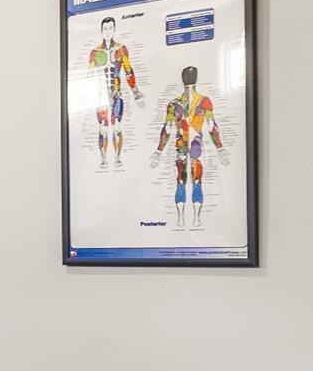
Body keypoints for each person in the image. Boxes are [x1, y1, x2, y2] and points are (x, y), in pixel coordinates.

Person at [156, 63, 225, 229]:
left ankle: (181, 219)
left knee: (181, 180)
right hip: (196, 146)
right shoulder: (204, 101)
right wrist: (220, 148)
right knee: (196, 180)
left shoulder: (174, 104)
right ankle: (195, 219)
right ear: (197, 79)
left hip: (182, 145)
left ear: (182, 80)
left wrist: (159, 150)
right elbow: (211, 125)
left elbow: (167, 128)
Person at [85, 15, 141, 170]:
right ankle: (103, 159)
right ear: (101, 30)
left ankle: (117, 158)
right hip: (101, 97)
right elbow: (89, 74)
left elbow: (128, 70)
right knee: (103, 128)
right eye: (105, 28)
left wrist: (135, 91)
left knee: (117, 127)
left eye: (110, 28)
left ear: (114, 29)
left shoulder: (121, 50)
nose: (107, 31)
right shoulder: (95, 52)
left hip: (116, 95)